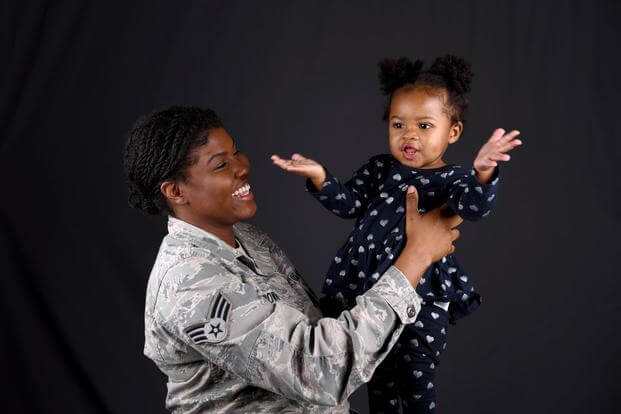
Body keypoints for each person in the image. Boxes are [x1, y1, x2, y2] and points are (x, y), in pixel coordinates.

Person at [124, 106, 462, 413]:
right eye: (221, 164)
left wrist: (397, 240)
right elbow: (321, 371)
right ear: (175, 192)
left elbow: (316, 327)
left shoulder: (248, 239)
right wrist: (414, 258)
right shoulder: (190, 283)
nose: (243, 166)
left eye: (236, 152)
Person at [271, 55, 522, 412]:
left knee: (416, 377)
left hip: (423, 298)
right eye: (398, 124)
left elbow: (474, 207)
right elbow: (348, 203)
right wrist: (320, 177)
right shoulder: (379, 168)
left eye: (424, 126)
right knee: (379, 381)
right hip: (372, 294)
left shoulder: (453, 179)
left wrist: (483, 172)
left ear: (453, 131)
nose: (409, 135)